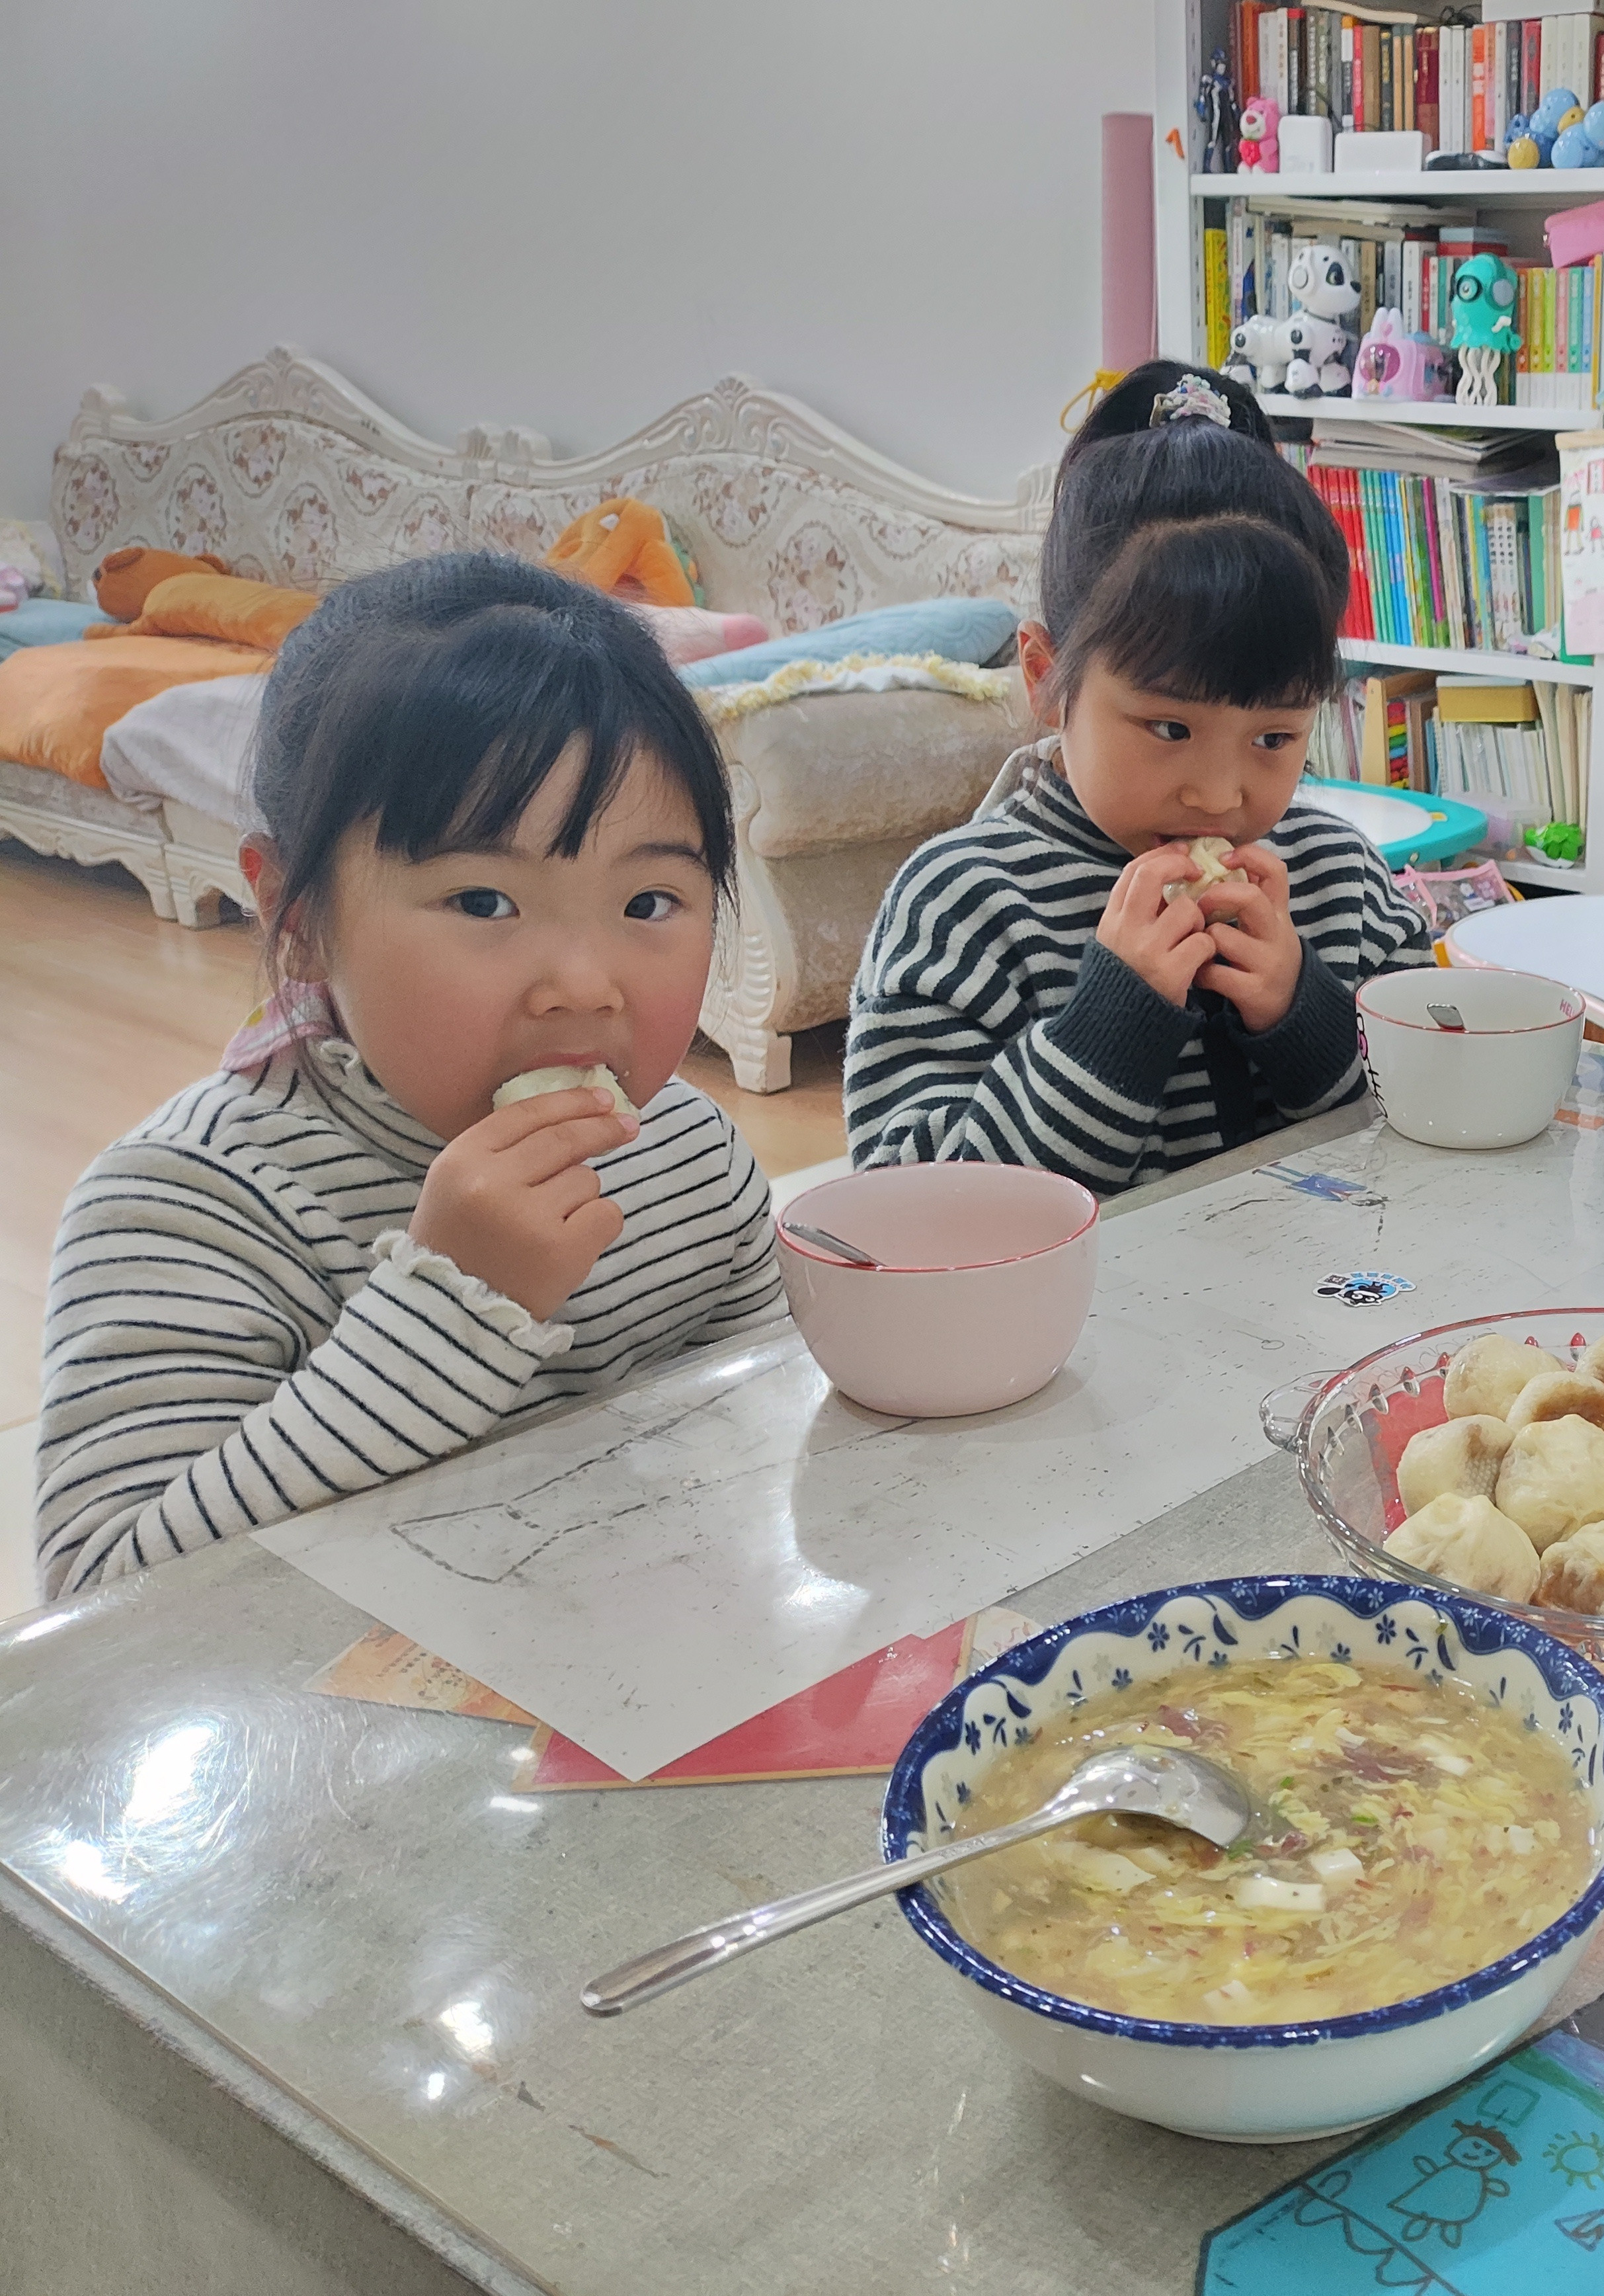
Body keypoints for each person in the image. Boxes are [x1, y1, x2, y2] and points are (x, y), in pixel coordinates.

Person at [35, 555, 787, 1597]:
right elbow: (101, 1601)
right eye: (484, 903)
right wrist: (453, 1304)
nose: (583, 986)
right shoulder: (185, 1209)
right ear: (298, 921)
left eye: (650, 903)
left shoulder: (692, 1159)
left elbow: (775, 1422)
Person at [846, 362, 1425, 1190]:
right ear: (1047, 679)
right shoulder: (963, 906)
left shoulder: (1344, 885)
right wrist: (1110, 1023)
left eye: (1273, 735)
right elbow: (902, 1206)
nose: (1220, 796)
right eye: (1168, 727)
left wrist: (1306, 1009)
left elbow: (1427, 1124)